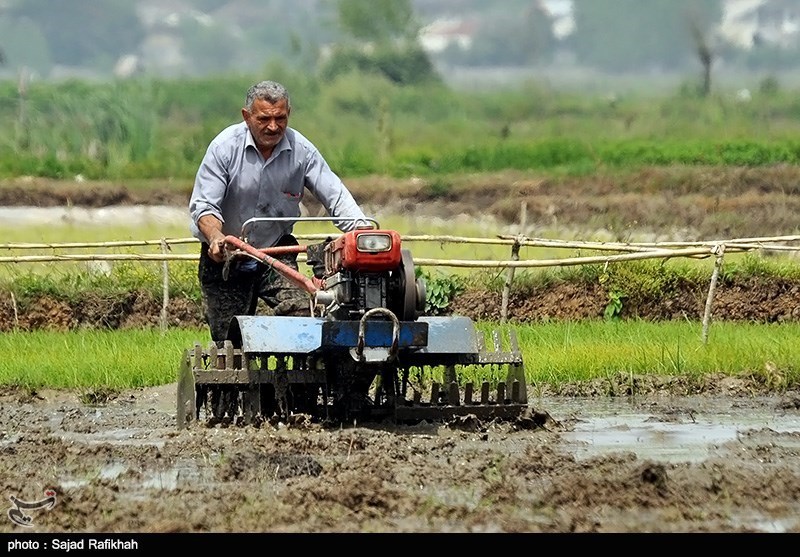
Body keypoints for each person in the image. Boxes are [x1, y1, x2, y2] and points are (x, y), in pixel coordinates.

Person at [189, 80, 367, 343]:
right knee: (229, 342)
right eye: (264, 119)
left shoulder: (302, 151)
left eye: (280, 118)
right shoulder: (224, 147)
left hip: (276, 252)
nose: (273, 127)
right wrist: (215, 237)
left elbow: (335, 195)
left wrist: (363, 233)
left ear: (289, 114)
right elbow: (204, 207)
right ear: (246, 116)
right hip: (228, 255)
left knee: (301, 313)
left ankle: (297, 379)